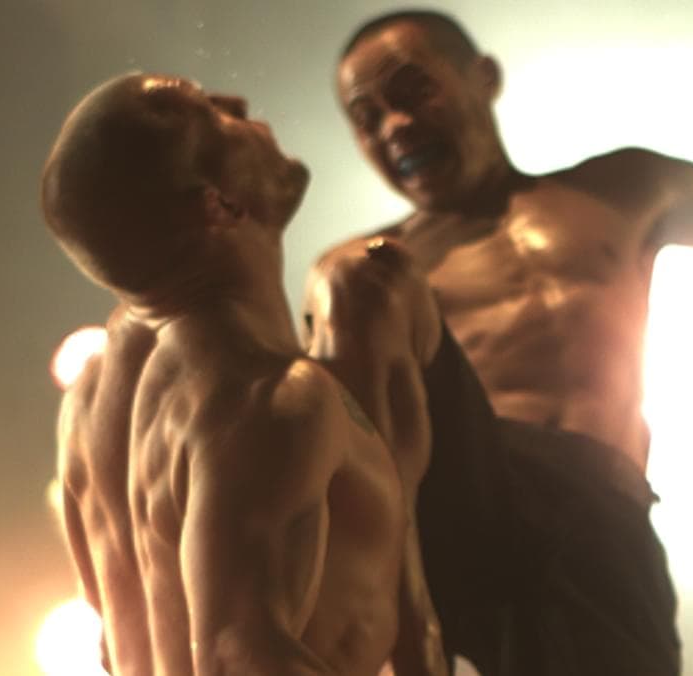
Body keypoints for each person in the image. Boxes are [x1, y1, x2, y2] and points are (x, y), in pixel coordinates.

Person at [320, 9, 693, 675]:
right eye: (366, 117)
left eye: (412, 91)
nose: (395, 126)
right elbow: (331, 433)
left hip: (601, 520)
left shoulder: (622, 190)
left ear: (483, 77)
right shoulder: (370, 276)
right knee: (355, 283)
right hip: (457, 519)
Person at [44, 73, 446, 676]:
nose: (236, 102)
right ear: (219, 205)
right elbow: (238, 657)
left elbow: (112, 642)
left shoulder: (85, 408)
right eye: (207, 112)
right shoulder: (270, 398)